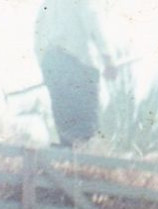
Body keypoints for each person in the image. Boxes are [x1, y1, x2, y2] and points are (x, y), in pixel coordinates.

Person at [34, 0, 115, 147]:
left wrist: (46, 69)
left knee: (64, 114)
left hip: (51, 63)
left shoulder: (47, 5)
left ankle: (68, 151)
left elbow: (37, 39)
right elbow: (93, 25)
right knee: (84, 117)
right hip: (75, 62)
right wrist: (108, 59)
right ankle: (80, 153)